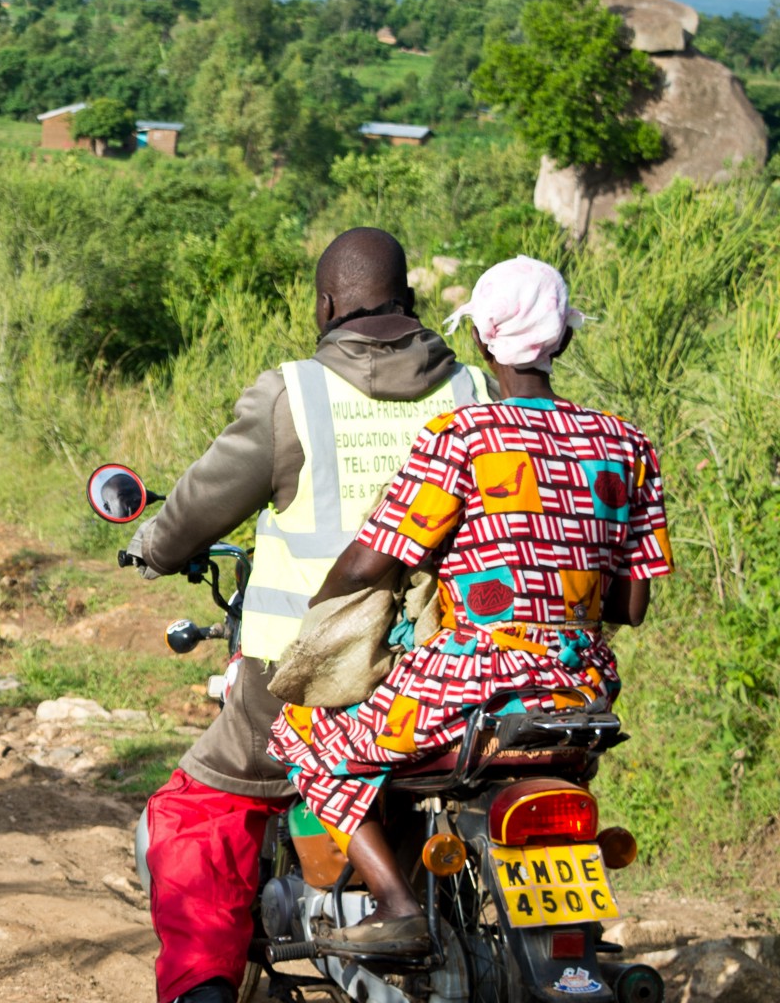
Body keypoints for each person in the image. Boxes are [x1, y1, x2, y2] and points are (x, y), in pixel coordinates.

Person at [98, 227, 490, 1003]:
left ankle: (201, 993)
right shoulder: (475, 386)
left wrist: (155, 544)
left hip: (308, 676)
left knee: (196, 809)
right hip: (448, 669)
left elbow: (204, 500)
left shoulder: (296, 395)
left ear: (325, 307)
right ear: (412, 301)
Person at [267, 255, 670, 953]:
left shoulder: (462, 437)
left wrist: (323, 602)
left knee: (304, 734)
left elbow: (376, 556)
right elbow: (632, 605)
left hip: (472, 685)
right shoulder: (627, 445)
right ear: (564, 340)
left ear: (482, 343)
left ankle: (396, 903)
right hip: (582, 689)